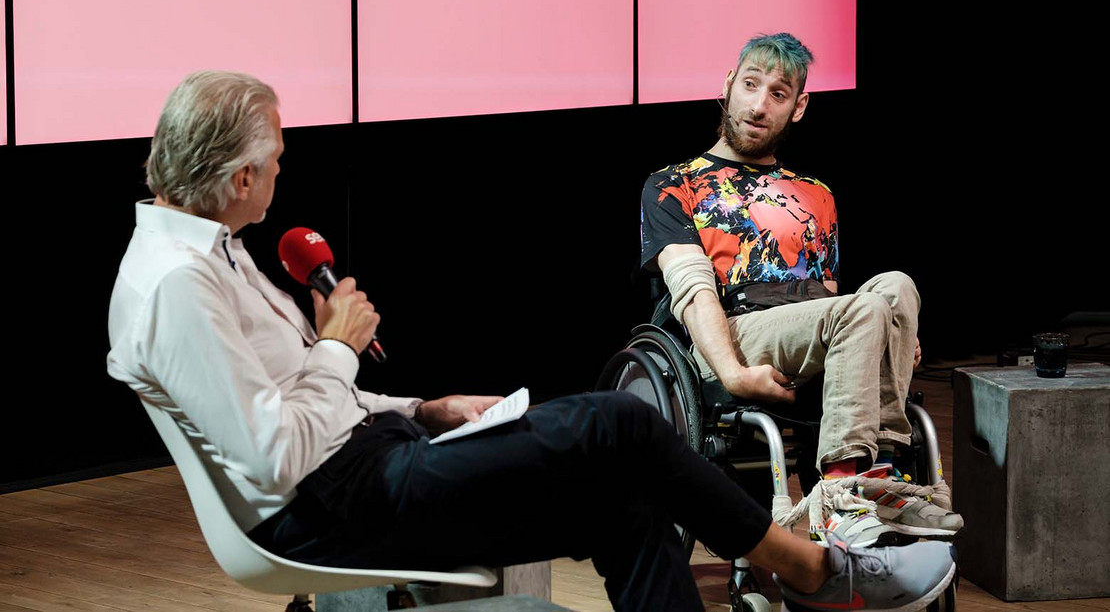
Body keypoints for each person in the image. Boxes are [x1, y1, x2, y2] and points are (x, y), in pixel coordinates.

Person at [108, 70, 956, 611]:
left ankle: (806, 568)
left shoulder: (209, 252)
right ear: (241, 177)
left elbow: (293, 401)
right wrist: (336, 346)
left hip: (370, 463)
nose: (282, 172)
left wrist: (422, 406)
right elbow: (274, 457)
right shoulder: (176, 285)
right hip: (335, 507)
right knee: (616, 422)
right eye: (277, 162)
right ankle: (808, 569)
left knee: (627, 503)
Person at [639, 33, 963, 546]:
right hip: (733, 327)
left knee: (897, 288)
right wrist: (733, 372)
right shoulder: (674, 183)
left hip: (807, 325)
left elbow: (827, 296)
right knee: (861, 311)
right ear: (728, 85)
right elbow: (693, 289)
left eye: (778, 93)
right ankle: (840, 494)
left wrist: (887, 332)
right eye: (750, 85)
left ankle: (880, 476)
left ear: (799, 106)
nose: (758, 105)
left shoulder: (817, 195)